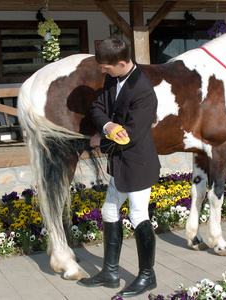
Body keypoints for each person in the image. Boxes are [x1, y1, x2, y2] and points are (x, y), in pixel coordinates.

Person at [77, 37, 161, 298]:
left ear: (122, 63)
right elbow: (98, 108)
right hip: (120, 161)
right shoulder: (113, 78)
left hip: (138, 162)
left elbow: (132, 135)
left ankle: (148, 276)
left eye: (106, 67)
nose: (103, 71)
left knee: (138, 216)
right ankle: (110, 272)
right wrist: (107, 127)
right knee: (109, 211)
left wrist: (99, 140)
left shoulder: (145, 92)